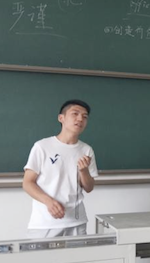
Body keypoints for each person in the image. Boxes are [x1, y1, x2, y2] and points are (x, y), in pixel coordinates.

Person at [23, 99, 98, 238]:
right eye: (75, 114)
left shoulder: (86, 150)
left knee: (80, 253)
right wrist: (49, 202)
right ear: (61, 118)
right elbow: (27, 183)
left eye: (85, 116)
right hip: (45, 222)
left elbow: (89, 187)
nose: (80, 119)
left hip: (76, 221)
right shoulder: (42, 146)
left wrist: (83, 171)